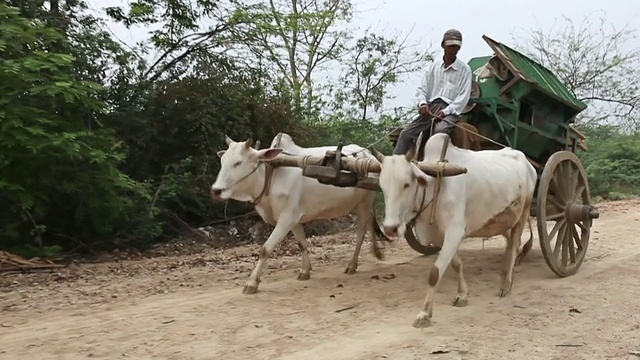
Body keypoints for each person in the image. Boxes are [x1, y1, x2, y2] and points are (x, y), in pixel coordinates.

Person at [393, 29, 473, 158]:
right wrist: (423, 103)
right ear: (443, 46)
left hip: (451, 111)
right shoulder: (434, 67)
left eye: (456, 47)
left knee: (439, 131)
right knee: (406, 133)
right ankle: (394, 163)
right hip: (431, 107)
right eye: (450, 46)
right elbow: (422, 89)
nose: (453, 50)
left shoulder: (465, 70)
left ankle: (433, 163)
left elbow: (463, 97)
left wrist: (445, 112)